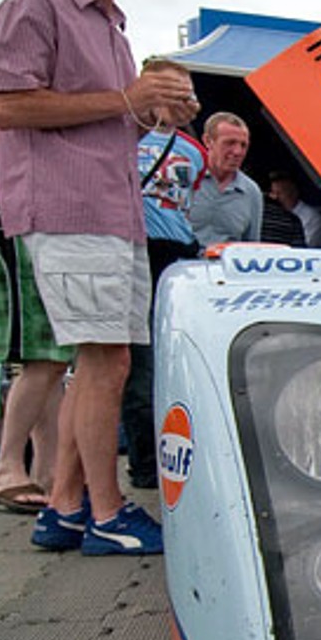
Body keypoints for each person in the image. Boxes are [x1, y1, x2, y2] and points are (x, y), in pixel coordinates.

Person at [0, 0, 197, 556]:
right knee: (105, 361)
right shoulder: (34, 5)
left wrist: (157, 111)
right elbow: (8, 106)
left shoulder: (112, 26)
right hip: (69, 207)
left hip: (113, 208)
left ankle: (66, 505)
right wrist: (127, 97)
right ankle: (108, 512)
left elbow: (114, 112)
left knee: (99, 363)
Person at [0, 81, 72, 514]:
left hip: (35, 222)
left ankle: (45, 470)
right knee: (42, 355)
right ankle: (8, 465)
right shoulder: (9, 84)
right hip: (16, 222)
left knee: (51, 356)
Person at [122, 59, 205, 489]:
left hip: (180, 250)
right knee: (141, 360)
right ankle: (143, 462)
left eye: (187, 92)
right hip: (137, 247)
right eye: (174, 90)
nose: (183, 100)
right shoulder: (124, 137)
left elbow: (188, 200)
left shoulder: (194, 151)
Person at [186, 112, 261, 248]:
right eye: (230, 143)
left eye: (243, 145)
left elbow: (252, 246)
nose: (238, 151)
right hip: (185, 265)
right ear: (208, 141)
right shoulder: (186, 178)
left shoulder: (251, 191)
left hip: (226, 266)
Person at [267, 169, 321, 248]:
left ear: (293, 192)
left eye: (279, 193)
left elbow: (305, 248)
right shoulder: (275, 215)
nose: (274, 197)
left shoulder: (313, 219)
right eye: (272, 193)